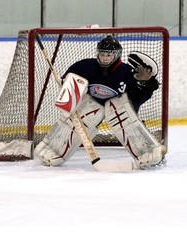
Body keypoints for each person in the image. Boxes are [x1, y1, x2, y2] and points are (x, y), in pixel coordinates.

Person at [34, 35, 166, 169]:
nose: (105, 58)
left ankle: (148, 152)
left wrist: (144, 83)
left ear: (117, 55)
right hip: (91, 105)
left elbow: (138, 98)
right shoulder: (85, 66)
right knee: (89, 113)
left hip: (117, 106)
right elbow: (68, 83)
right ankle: (51, 149)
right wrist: (67, 86)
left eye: (109, 55)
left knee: (117, 109)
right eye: (102, 54)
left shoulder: (126, 72)